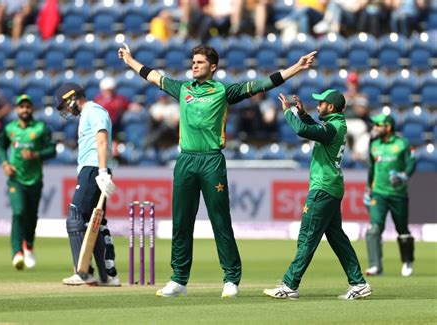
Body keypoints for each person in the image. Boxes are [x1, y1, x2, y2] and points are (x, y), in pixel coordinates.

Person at [118, 42, 316, 297]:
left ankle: (231, 279)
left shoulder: (223, 91)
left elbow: (263, 84)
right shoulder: (183, 88)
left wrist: (297, 68)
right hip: (185, 161)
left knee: (220, 221)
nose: (194, 65)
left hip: (211, 160)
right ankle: (179, 280)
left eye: (199, 62)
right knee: (181, 222)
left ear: (212, 67)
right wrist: (130, 61)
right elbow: (154, 76)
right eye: (193, 62)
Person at [264, 89, 372, 300]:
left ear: (330, 107)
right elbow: (316, 128)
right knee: (337, 238)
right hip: (331, 187)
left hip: (322, 189)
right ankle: (358, 282)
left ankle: (289, 284)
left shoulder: (333, 128)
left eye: (321, 103)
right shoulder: (336, 125)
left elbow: (304, 131)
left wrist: (288, 113)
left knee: (307, 237)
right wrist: (303, 114)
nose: (318, 106)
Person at [54, 82, 120, 286]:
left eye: (65, 104)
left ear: (73, 97)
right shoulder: (87, 114)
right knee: (95, 222)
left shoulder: (94, 110)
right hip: (91, 169)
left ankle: (83, 273)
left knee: (75, 216)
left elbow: (102, 140)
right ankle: (108, 276)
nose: (66, 109)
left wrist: (102, 171)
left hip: (93, 169)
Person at [0, 94, 56, 270]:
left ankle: (28, 245)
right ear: (17, 109)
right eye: (21, 107)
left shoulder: (40, 128)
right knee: (19, 212)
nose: (24, 110)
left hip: (35, 180)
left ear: (32, 109)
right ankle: (17, 253)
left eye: (27, 107)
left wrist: (36, 155)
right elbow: (1, 147)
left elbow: (52, 150)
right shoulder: (9, 129)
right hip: (15, 180)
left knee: (31, 217)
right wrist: (5, 163)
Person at [364, 113, 416, 277]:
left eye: (378, 125)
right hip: (378, 193)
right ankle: (375, 266)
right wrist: (368, 189)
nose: (375, 128)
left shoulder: (402, 144)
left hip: (397, 195)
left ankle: (407, 261)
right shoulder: (374, 144)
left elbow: (411, 164)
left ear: (388, 127)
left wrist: (403, 176)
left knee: (402, 230)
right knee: (374, 229)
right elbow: (371, 169)